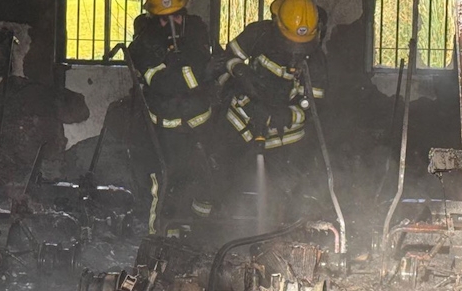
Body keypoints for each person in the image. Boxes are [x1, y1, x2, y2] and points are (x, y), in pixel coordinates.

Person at [218, 0, 328, 224]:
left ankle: (277, 239)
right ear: (277, 25)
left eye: (303, 45)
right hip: (240, 127)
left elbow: (314, 109)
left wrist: (285, 115)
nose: (295, 52)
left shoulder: (315, 61)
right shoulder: (258, 35)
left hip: (284, 140)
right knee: (224, 186)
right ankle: (221, 232)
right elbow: (223, 60)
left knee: (282, 196)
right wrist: (240, 71)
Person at [129, 0, 217, 236]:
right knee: (166, 184)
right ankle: (160, 241)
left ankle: (199, 234)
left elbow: (207, 70)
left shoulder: (196, 29)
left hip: (200, 125)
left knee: (208, 180)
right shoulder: (142, 45)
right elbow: (163, 83)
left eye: (176, 16)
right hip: (165, 131)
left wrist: (181, 72)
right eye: (163, 19)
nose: (171, 24)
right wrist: (190, 75)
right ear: (153, 19)